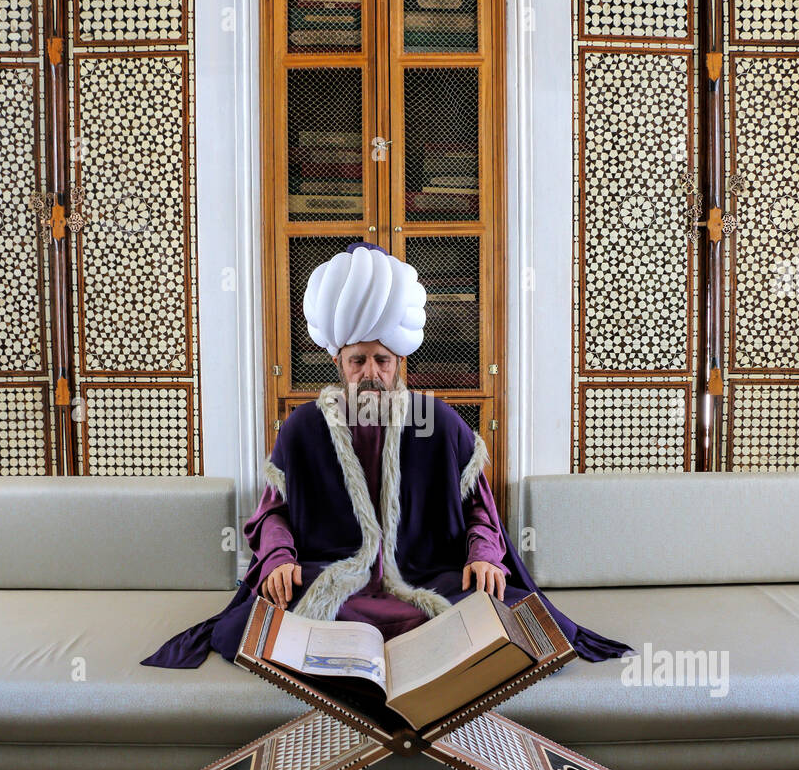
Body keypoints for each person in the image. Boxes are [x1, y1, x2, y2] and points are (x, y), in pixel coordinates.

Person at [140, 242, 631, 669]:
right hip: (334, 578)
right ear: (338, 362)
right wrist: (277, 558)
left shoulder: (439, 422)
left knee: (495, 608)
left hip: (423, 577)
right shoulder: (303, 429)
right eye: (359, 360)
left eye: (382, 359)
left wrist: (485, 556)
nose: (370, 372)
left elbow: (481, 509)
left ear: (399, 363)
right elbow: (273, 512)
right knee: (269, 616)